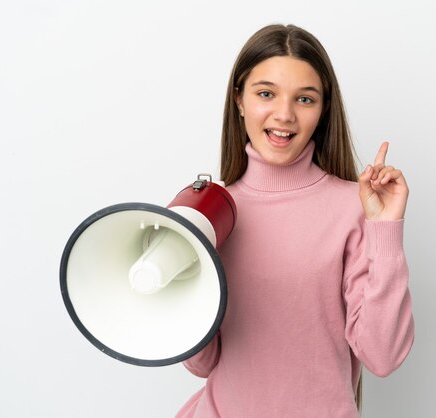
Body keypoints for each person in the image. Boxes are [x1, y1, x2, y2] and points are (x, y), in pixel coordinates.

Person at [176, 23, 414, 418]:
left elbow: (383, 356)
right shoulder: (212, 212)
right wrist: (182, 264)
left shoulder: (352, 208)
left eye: (304, 99)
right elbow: (201, 363)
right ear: (239, 99)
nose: (283, 115)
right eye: (266, 93)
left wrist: (385, 231)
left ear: (323, 109)